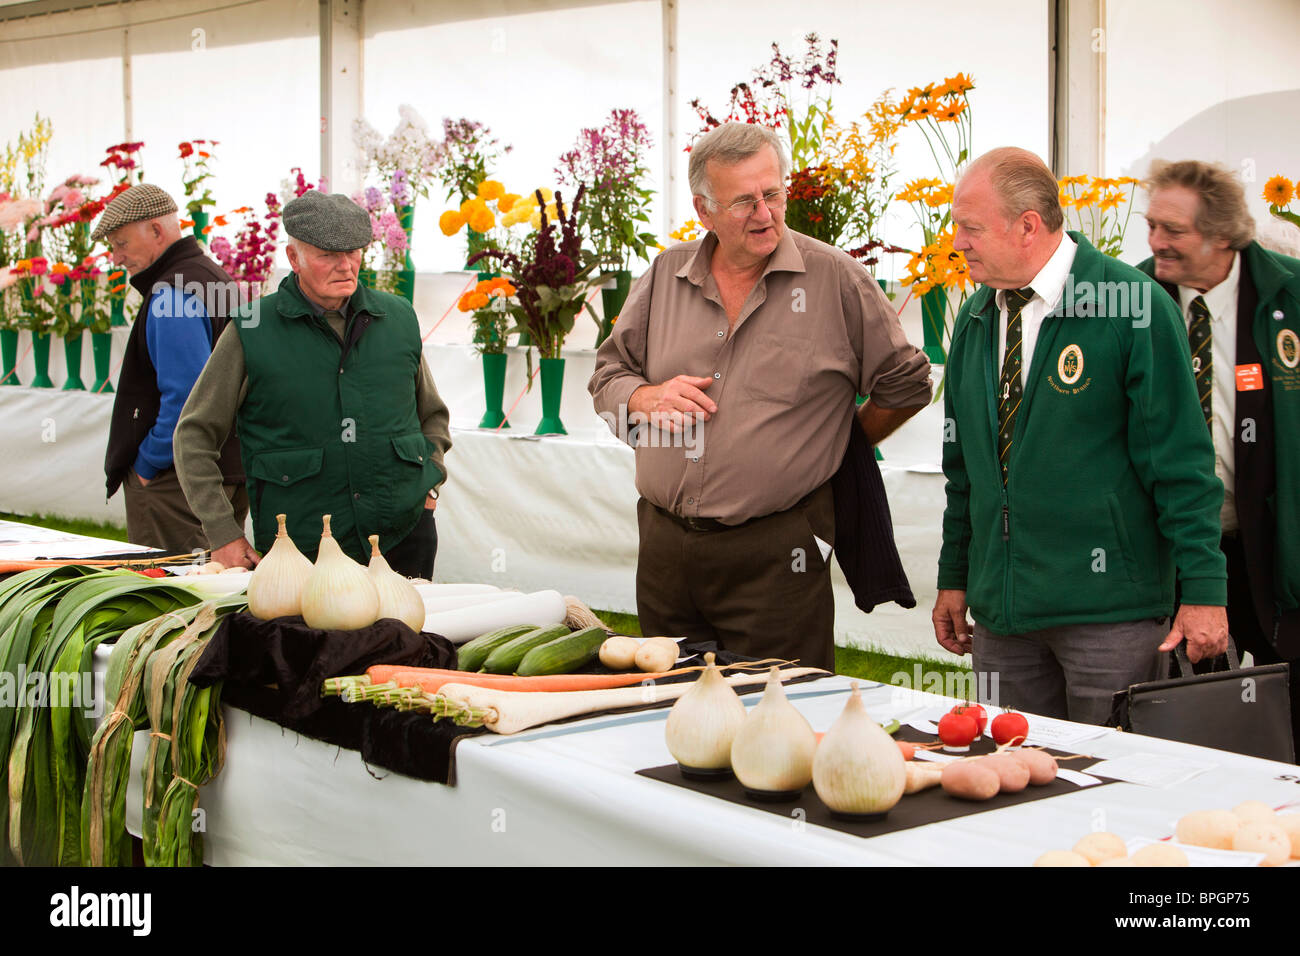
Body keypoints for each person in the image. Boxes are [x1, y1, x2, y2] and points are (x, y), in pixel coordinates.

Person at [589, 122, 931, 670]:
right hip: (664, 548)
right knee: (669, 711)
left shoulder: (834, 279)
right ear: (704, 210)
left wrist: (839, 444)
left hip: (779, 550)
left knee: (779, 724)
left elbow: (908, 384)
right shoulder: (664, 275)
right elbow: (607, 374)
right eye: (744, 201)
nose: (765, 213)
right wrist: (642, 397)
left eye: (772, 194)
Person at [932, 147, 1229, 725]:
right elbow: (961, 471)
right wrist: (954, 577)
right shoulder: (975, 319)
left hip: (1110, 620)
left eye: (970, 228)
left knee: (1113, 791)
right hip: (1002, 622)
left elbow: (1183, 467)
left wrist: (1204, 590)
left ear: (1027, 226)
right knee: (1012, 787)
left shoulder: (1131, 307)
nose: (958, 243)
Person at [174, 190, 450, 577]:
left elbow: (432, 413)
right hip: (302, 547)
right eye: (328, 255)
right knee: (310, 640)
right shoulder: (251, 329)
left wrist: (430, 483)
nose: (345, 266)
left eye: (354, 252)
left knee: (410, 638)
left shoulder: (399, 317)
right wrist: (222, 532)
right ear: (293, 258)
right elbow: (193, 435)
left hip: (403, 537)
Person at [1137, 159, 1300, 752]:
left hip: (1274, 545)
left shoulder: (1290, 296)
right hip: (1170, 548)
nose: (1156, 241)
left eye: (1173, 231)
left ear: (1223, 235)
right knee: (1187, 714)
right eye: (1152, 225)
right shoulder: (1130, 298)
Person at [94, 184, 247, 554]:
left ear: (157, 232)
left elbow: (188, 398)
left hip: (177, 483)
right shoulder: (214, 277)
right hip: (224, 470)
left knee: (172, 602)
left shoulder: (172, 294)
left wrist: (148, 465)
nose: (116, 257)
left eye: (121, 243)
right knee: (215, 595)